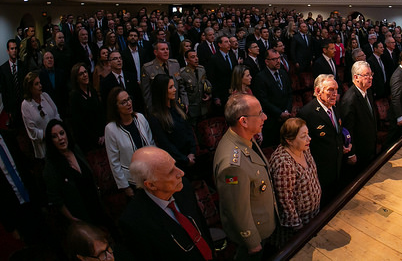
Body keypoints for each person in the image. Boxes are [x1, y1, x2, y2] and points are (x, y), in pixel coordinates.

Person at [0, 97, 47, 244]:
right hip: (15, 210)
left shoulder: (9, 136)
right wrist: (10, 226)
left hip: (32, 200)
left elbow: (25, 167)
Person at [119, 147, 214, 260]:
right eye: (170, 172)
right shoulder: (134, 222)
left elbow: (200, 225)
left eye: (175, 165)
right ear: (151, 185)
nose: (181, 173)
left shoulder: (184, 187)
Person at [213, 94, 277, 259]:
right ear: (244, 121)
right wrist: (252, 241)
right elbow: (236, 209)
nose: (265, 117)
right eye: (260, 113)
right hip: (254, 237)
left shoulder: (243, 137)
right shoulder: (232, 166)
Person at [298, 74, 351, 204]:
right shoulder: (307, 113)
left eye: (336, 90)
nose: (335, 94)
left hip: (337, 166)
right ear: (318, 91)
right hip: (321, 172)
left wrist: (342, 146)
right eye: (330, 90)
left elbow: (337, 132)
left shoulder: (335, 107)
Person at [43, 120, 108, 226]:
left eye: (62, 133)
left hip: (97, 205)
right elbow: (56, 199)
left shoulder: (75, 149)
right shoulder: (51, 167)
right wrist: (72, 219)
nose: (60, 138)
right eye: (54, 136)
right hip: (81, 215)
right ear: (51, 141)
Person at [269, 118, 321, 244]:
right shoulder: (283, 163)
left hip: (313, 216)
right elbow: (285, 201)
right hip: (298, 227)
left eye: (308, 134)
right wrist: (298, 226)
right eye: (303, 136)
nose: (309, 139)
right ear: (289, 140)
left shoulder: (304, 148)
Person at [105, 87, 155, 197]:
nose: (128, 104)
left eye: (129, 99)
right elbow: (114, 162)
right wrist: (125, 187)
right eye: (123, 102)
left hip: (151, 175)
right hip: (133, 182)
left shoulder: (140, 118)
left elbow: (151, 143)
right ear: (116, 107)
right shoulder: (111, 129)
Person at [147, 74, 197, 171]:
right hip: (176, 163)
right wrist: (185, 160)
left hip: (190, 157)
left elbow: (189, 130)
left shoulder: (177, 107)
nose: (175, 89)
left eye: (174, 86)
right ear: (162, 91)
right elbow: (166, 145)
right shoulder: (155, 117)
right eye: (170, 87)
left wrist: (192, 152)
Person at [339, 61, 377, 171]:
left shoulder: (368, 91)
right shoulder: (350, 100)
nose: (370, 78)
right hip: (360, 151)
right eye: (366, 75)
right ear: (356, 77)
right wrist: (351, 153)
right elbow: (347, 129)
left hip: (370, 145)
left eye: (371, 74)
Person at [252, 49, 293, 147]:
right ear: (267, 61)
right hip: (272, 121)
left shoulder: (283, 73)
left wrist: (287, 111)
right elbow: (263, 100)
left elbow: (289, 94)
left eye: (279, 58)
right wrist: (279, 113)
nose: (278, 61)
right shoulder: (261, 77)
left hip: (286, 119)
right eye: (274, 59)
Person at [21, 71, 61, 159]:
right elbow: (32, 132)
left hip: (57, 140)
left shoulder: (45, 96)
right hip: (44, 148)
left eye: (40, 83)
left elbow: (56, 113)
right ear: (30, 88)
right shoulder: (25, 105)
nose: (40, 85)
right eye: (36, 84)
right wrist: (49, 134)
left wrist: (58, 129)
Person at [141, 40, 187, 112]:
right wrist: (151, 110)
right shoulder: (148, 68)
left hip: (176, 105)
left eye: (167, 49)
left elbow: (180, 85)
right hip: (159, 109)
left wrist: (185, 100)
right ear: (155, 52)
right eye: (162, 49)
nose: (166, 51)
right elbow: (147, 94)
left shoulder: (175, 64)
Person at [179, 50, 212, 126]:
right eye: (192, 57)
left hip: (203, 107)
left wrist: (209, 95)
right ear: (187, 60)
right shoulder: (183, 73)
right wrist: (185, 103)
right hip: (191, 109)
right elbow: (182, 90)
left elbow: (206, 84)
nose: (196, 59)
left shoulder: (201, 69)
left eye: (196, 56)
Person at [0, 39, 26, 127]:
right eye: (12, 49)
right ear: (8, 51)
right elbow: (3, 91)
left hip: (24, 103)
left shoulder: (23, 65)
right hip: (12, 106)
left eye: (15, 48)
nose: (14, 51)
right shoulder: (3, 69)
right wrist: (8, 110)